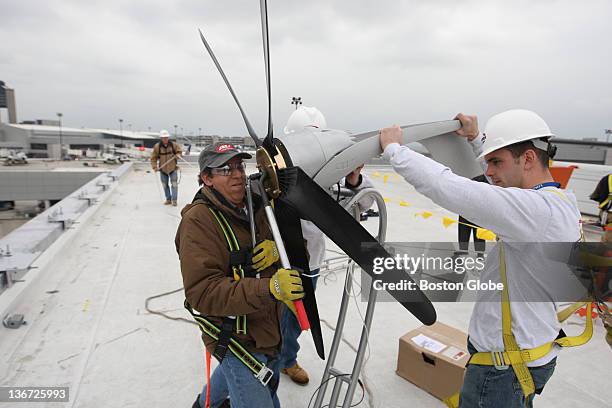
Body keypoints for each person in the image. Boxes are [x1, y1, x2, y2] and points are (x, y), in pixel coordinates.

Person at [379, 110, 582, 407]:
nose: (489, 171)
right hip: (523, 355)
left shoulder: (536, 212)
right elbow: (492, 188)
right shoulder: (557, 203)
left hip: (503, 370)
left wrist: (395, 151)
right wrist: (477, 140)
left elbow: (453, 189)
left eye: (495, 162)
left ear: (527, 158)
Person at [176, 142, 304, 408]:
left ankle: (204, 404)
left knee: (234, 379)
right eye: (225, 169)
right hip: (237, 338)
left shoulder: (257, 205)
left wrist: (278, 252)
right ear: (206, 179)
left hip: (270, 329)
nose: (237, 174)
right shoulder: (198, 222)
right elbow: (203, 292)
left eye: (238, 166)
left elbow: (299, 248)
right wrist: (270, 289)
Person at [279, 106, 375, 385]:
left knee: (298, 315)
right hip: (276, 256)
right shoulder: (278, 172)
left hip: (309, 259)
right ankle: (266, 360)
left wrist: (353, 177)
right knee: (268, 315)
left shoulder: (335, 174)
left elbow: (366, 202)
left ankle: (286, 359)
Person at [151, 129, 182, 206]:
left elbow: (179, 152)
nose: (165, 139)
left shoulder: (174, 145)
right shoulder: (157, 147)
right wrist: (154, 167)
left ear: (168, 137)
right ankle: (168, 199)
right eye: (163, 137)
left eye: (166, 137)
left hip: (173, 168)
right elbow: (153, 158)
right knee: (165, 185)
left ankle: (174, 200)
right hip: (162, 169)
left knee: (174, 184)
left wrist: (178, 155)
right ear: (161, 138)